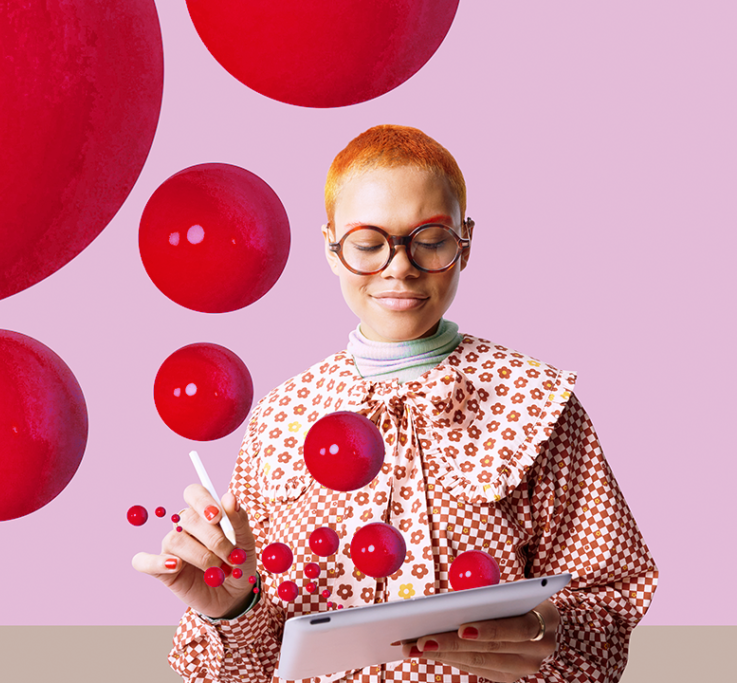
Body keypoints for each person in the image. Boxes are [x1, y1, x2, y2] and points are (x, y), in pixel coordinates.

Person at [132, 125, 658, 683]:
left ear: (466, 241)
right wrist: (233, 607)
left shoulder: (538, 404)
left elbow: (611, 594)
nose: (399, 266)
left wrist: (551, 630)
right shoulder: (278, 420)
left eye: (430, 238)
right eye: (367, 243)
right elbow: (258, 667)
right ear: (331, 248)